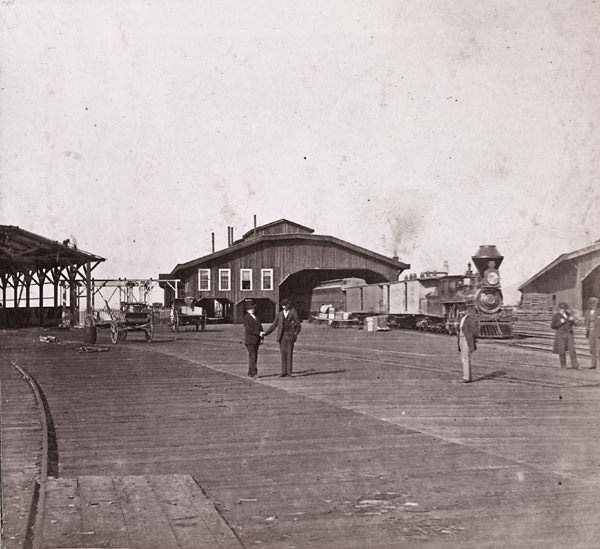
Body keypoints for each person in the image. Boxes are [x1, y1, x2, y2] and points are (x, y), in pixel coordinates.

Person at [264, 298, 301, 377]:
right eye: (283, 305)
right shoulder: (279, 314)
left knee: (289, 354)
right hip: (282, 336)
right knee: (283, 354)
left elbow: (298, 324)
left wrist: (295, 333)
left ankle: (289, 372)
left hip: (290, 335)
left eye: (286, 305)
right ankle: (283, 372)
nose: (285, 307)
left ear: (289, 305)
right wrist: (266, 333)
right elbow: (274, 325)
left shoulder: (293, 312)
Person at [551, 302, 579, 369]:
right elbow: (553, 326)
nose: (563, 310)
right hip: (561, 334)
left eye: (564, 308)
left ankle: (575, 365)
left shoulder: (568, 314)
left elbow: (571, 323)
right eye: (561, 309)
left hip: (569, 334)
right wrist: (560, 322)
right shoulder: (556, 316)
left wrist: (573, 321)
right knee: (562, 350)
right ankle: (563, 366)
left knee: (572, 350)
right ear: (559, 309)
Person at [243, 300, 264, 378]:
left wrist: (261, 337)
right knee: (253, 356)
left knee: (253, 356)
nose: (252, 309)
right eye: (251, 308)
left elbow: (260, 327)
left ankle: (250, 372)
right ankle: (254, 372)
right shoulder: (246, 317)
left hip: (256, 339)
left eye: (253, 308)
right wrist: (259, 333)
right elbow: (249, 329)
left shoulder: (255, 317)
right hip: (250, 340)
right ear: (247, 310)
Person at [457, 307, 478, 383]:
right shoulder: (463, 318)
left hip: (466, 339)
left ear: (466, 311)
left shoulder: (470, 318)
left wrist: (471, 338)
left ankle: (467, 378)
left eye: (462, 311)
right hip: (462, 338)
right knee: (464, 358)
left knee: (465, 358)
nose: (460, 312)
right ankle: (466, 376)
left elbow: (474, 330)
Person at [584, 297, 600, 369]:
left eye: (597, 303)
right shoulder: (587, 312)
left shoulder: (599, 311)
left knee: (599, 349)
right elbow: (586, 321)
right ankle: (593, 364)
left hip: (598, 332)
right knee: (592, 349)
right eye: (594, 303)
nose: (596, 305)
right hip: (590, 332)